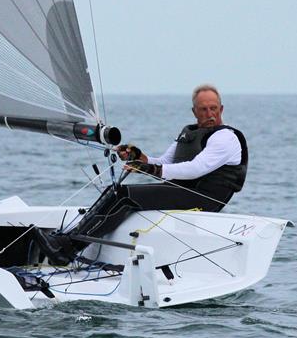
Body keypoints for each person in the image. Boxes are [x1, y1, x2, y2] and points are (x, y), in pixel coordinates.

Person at [34, 84, 248, 264]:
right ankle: (65, 241)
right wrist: (140, 159)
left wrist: (153, 169)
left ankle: (67, 250)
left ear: (221, 108)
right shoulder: (190, 133)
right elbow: (164, 163)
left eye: (213, 109)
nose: (209, 114)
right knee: (116, 191)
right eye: (203, 110)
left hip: (204, 198)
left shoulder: (226, 138)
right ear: (194, 111)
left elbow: (195, 169)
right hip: (182, 190)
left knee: (125, 196)